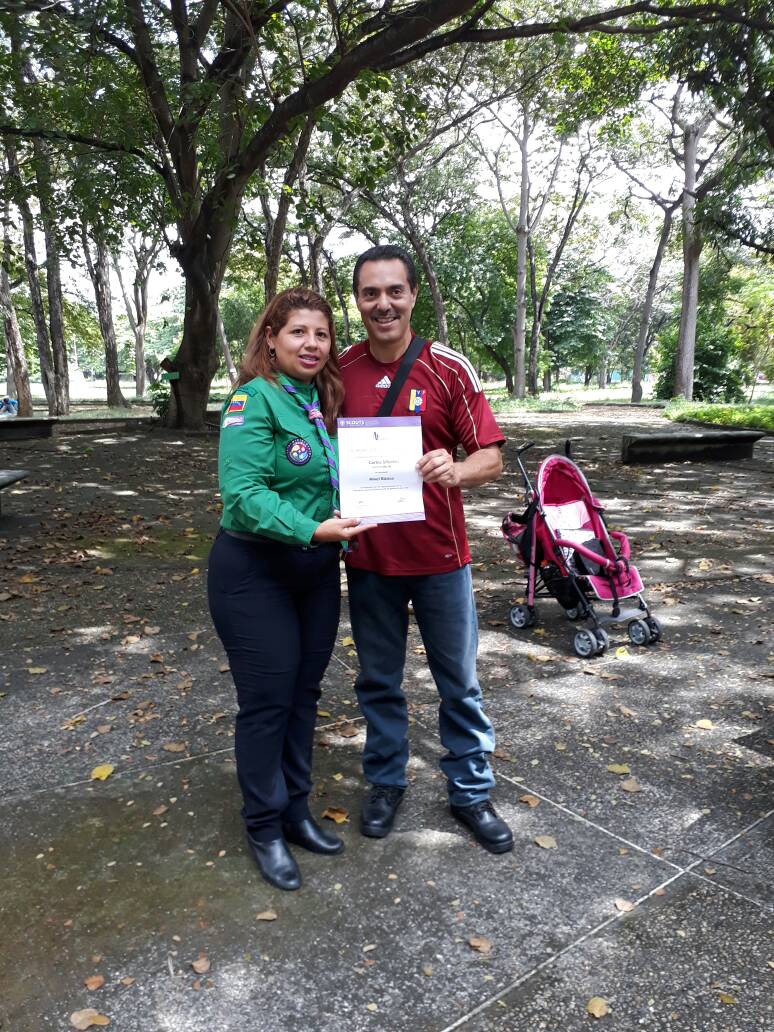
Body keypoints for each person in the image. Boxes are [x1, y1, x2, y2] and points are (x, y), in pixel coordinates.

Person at [339, 245, 513, 854]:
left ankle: (471, 792)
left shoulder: (447, 368)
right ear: (357, 301)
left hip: (442, 559)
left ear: (413, 295)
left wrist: (455, 471)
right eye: (370, 293)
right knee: (378, 682)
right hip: (369, 560)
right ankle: (385, 782)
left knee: (458, 682)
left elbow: (491, 456)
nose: (383, 304)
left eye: (395, 291)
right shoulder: (339, 370)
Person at [208, 287, 371, 891]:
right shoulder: (253, 399)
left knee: (304, 695)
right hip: (256, 573)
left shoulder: (321, 402)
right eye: (298, 332)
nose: (312, 344)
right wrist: (313, 529)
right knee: (268, 701)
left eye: (322, 334)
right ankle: (263, 825)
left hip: (315, 572)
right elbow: (244, 496)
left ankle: (295, 810)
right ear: (271, 339)